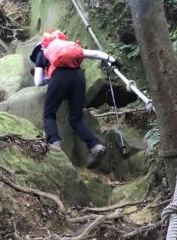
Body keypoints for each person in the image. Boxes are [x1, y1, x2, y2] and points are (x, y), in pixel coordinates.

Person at [30, 30, 118, 169]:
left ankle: (55, 144)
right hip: (78, 76)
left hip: (59, 78)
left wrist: (49, 80)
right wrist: (113, 61)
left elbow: (37, 82)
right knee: (76, 118)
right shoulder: (69, 48)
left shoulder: (42, 52)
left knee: (49, 114)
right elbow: (95, 54)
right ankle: (94, 145)